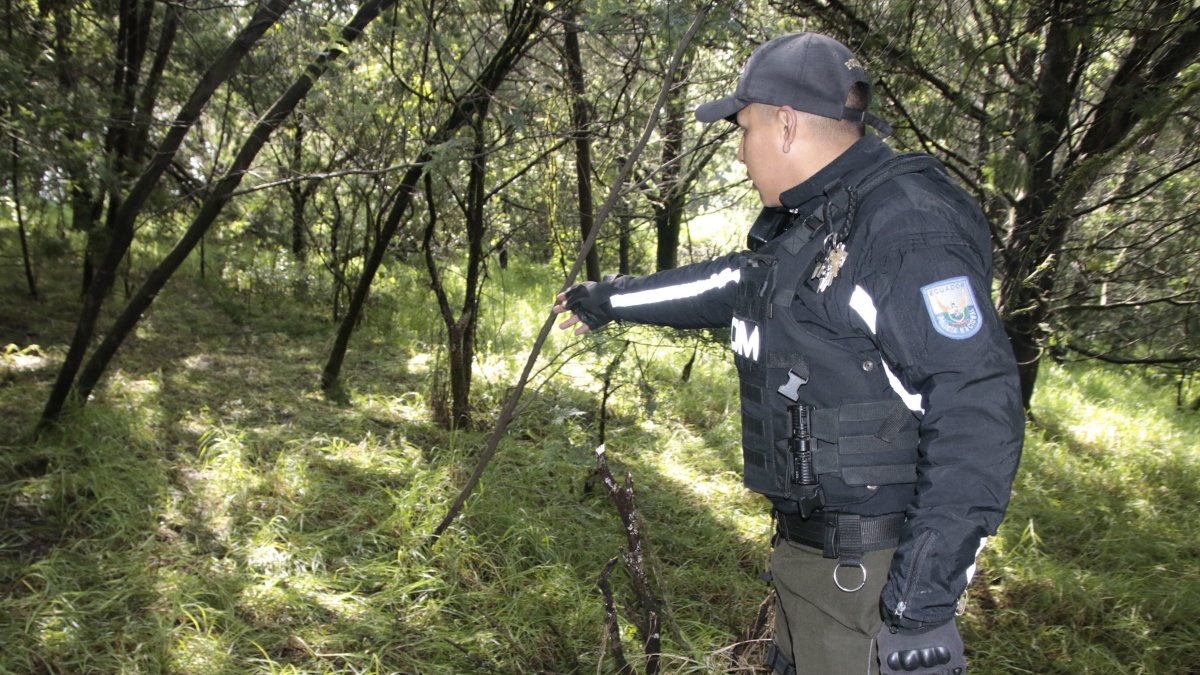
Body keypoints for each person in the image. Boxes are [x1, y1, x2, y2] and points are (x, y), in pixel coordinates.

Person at [553, 32, 1023, 675]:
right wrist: (605, 299)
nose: (740, 152)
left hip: (872, 582)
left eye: (743, 130)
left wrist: (922, 601)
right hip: (816, 565)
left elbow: (977, 406)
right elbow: (731, 284)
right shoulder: (819, 221)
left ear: (785, 123)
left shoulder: (905, 227)